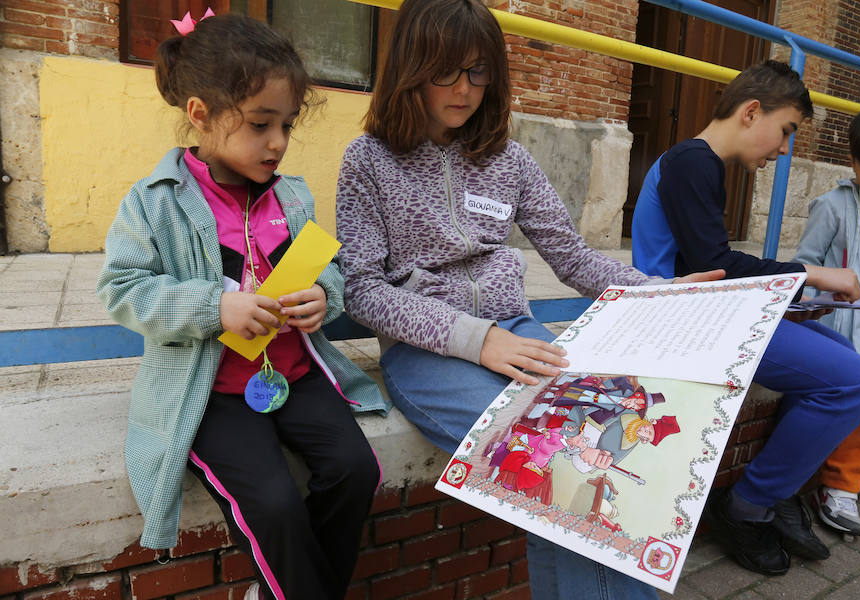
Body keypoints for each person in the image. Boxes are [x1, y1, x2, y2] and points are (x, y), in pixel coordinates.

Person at [335, 0, 720, 597]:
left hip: (519, 332)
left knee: (607, 454)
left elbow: (572, 257)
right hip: (426, 353)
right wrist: (477, 340)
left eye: (480, 72)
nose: (466, 90)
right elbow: (361, 289)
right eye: (447, 71)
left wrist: (662, 292)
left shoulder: (508, 159)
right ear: (411, 67)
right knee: (552, 462)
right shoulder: (368, 160)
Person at [97, 13, 386, 600]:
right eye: (259, 124)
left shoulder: (292, 195)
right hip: (212, 391)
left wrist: (323, 295)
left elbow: (328, 265)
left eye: (286, 124)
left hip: (294, 375)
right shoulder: (155, 203)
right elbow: (122, 290)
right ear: (200, 113)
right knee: (275, 505)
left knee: (358, 472)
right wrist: (215, 306)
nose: (277, 142)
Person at [631, 60, 860, 575]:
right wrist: (815, 274)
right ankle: (748, 506)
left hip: (712, 311)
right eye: (786, 130)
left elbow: (712, 264)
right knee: (855, 382)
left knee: (845, 360)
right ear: (751, 112)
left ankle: (780, 488)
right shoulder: (691, 162)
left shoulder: (700, 163)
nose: (784, 148)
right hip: (684, 322)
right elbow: (714, 266)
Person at [792, 102, 860, 536]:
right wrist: (825, 292)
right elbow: (802, 266)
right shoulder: (834, 206)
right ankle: (840, 482)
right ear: (851, 161)